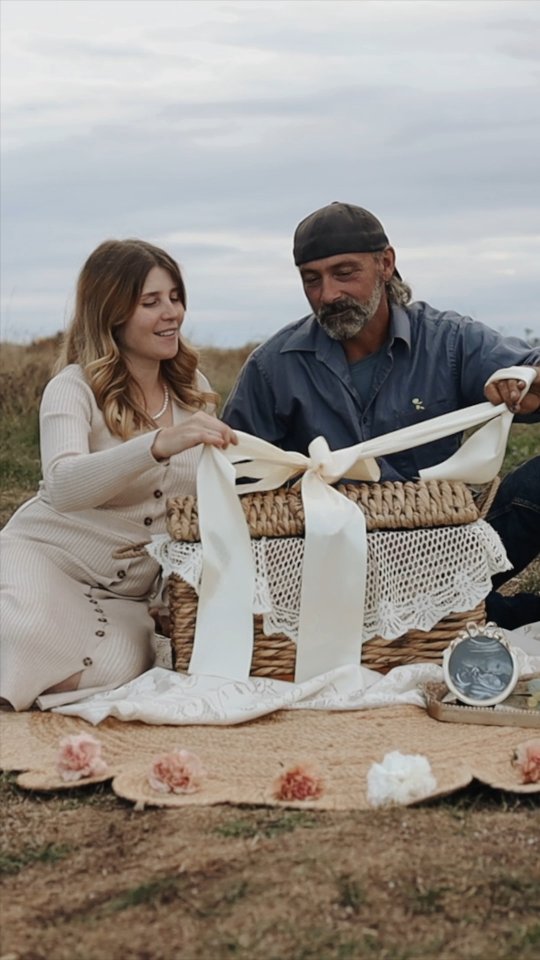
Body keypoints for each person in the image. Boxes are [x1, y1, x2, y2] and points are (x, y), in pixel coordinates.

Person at [222, 202, 540, 628]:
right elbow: (234, 476)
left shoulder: (448, 341)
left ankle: (450, 617)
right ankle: (466, 622)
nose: (328, 294)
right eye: (311, 279)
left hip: (449, 548)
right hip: (325, 567)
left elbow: (530, 370)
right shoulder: (272, 366)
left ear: (386, 264)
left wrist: (521, 383)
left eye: (344, 272)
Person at [0, 239, 237, 711]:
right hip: (47, 558)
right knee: (26, 637)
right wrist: (154, 445)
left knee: (116, 670)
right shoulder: (72, 388)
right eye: (151, 302)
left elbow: (196, 512)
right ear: (112, 313)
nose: (171, 312)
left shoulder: (195, 393)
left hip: (127, 595)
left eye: (175, 297)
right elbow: (64, 485)